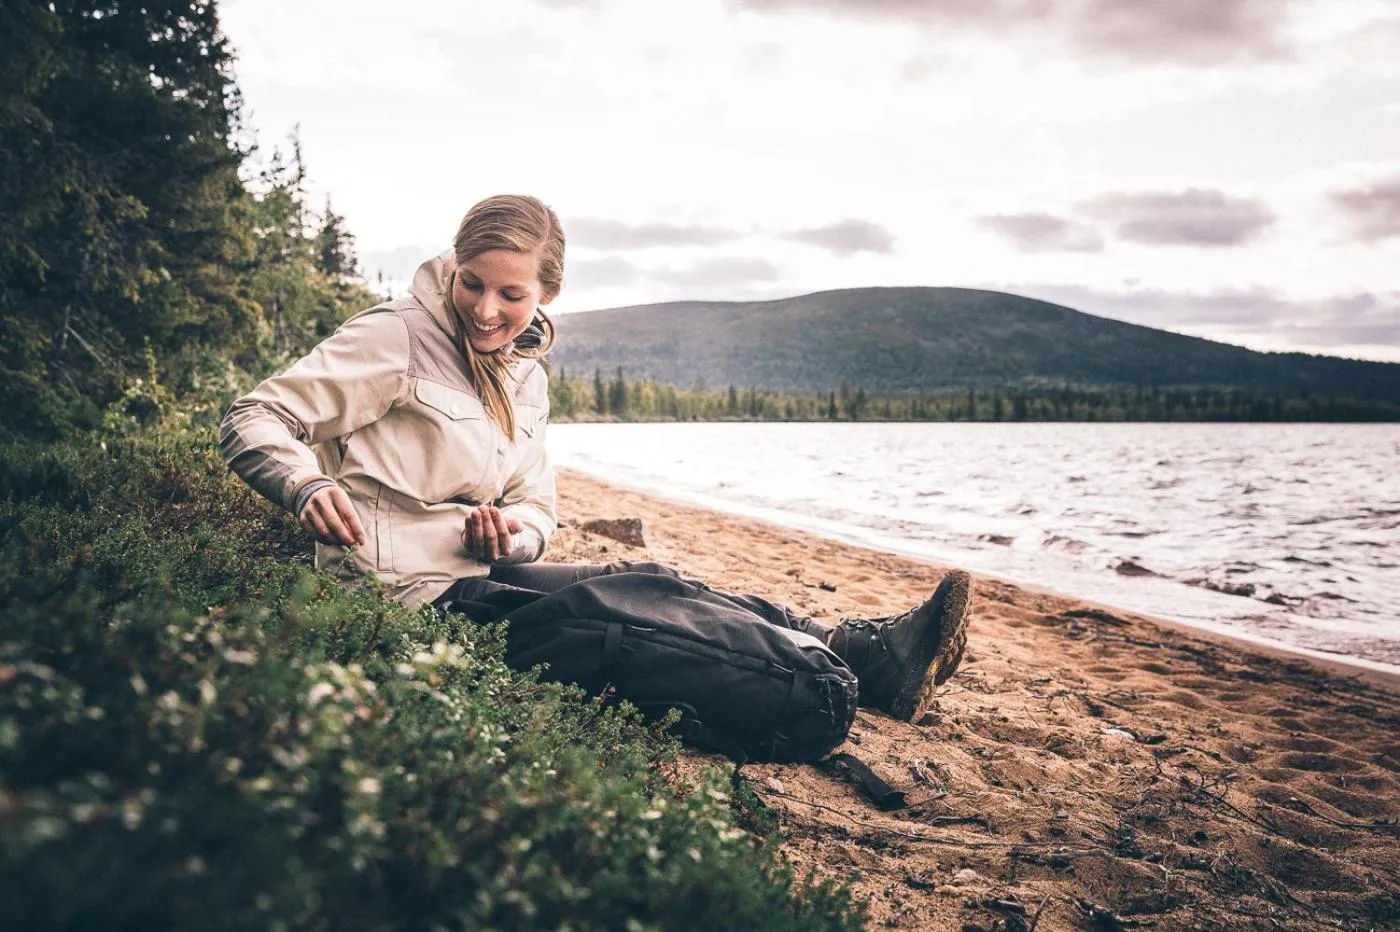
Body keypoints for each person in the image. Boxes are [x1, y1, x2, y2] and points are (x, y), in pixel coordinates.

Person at [220, 194, 973, 759]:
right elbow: (254, 416)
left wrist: (512, 535)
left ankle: (859, 651)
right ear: (455, 265)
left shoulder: (526, 376)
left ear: (546, 294)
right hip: (407, 596)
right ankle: (826, 683)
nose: (485, 310)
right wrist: (306, 484)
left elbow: (535, 506)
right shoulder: (397, 336)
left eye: (511, 295)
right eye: (472, 284)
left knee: (648, 580)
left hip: (477, 568)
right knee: (622, 622)